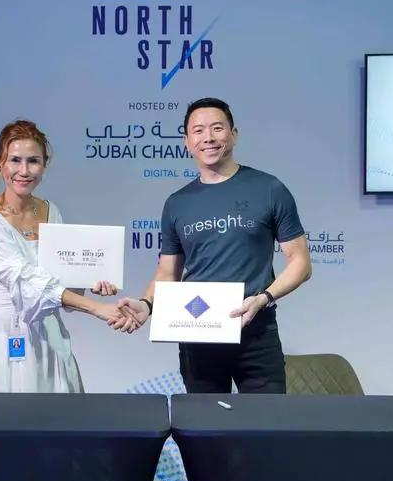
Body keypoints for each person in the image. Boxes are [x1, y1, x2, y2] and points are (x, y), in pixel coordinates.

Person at [111, 97, 313, 395]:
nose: (208, 137)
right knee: (203, 424)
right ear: (187, 142)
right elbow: (167, 273)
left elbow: (301, 263)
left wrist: (263, 298)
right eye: (198, 131)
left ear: (234, 134)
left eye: (217, 128)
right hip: (197, 334)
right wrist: (147, 305)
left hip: (256, 332)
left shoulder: (269, 188)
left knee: (267, 422)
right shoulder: (177, 203)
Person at [0, 119, 124, 393]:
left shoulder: (51, 211)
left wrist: (90, 280)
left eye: (33, 161)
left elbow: (61, 284)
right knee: (7, 413)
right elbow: (28, 283)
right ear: (0, 164)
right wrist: (96, 308)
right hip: (3, 333)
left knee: (57, 412)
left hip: (49, 332)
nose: (24, 171)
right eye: (15, 160)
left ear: (44, 165)